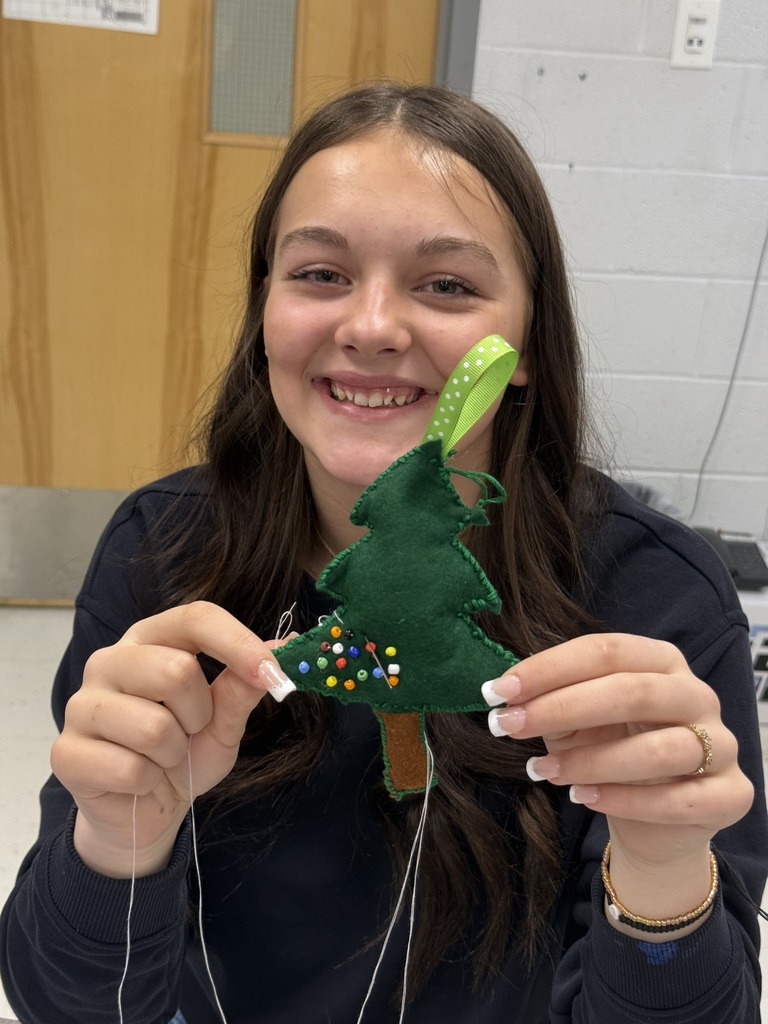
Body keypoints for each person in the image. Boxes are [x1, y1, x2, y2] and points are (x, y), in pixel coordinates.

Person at [0, 82, 765, 1024]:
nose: (369, 327)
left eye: (447, 285)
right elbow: (66, 1005)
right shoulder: (165, 556)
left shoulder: (655, 599)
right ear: (265, 319)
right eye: (319, 274)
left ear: (523, 345)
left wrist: (661, 874)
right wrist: (117, 844)